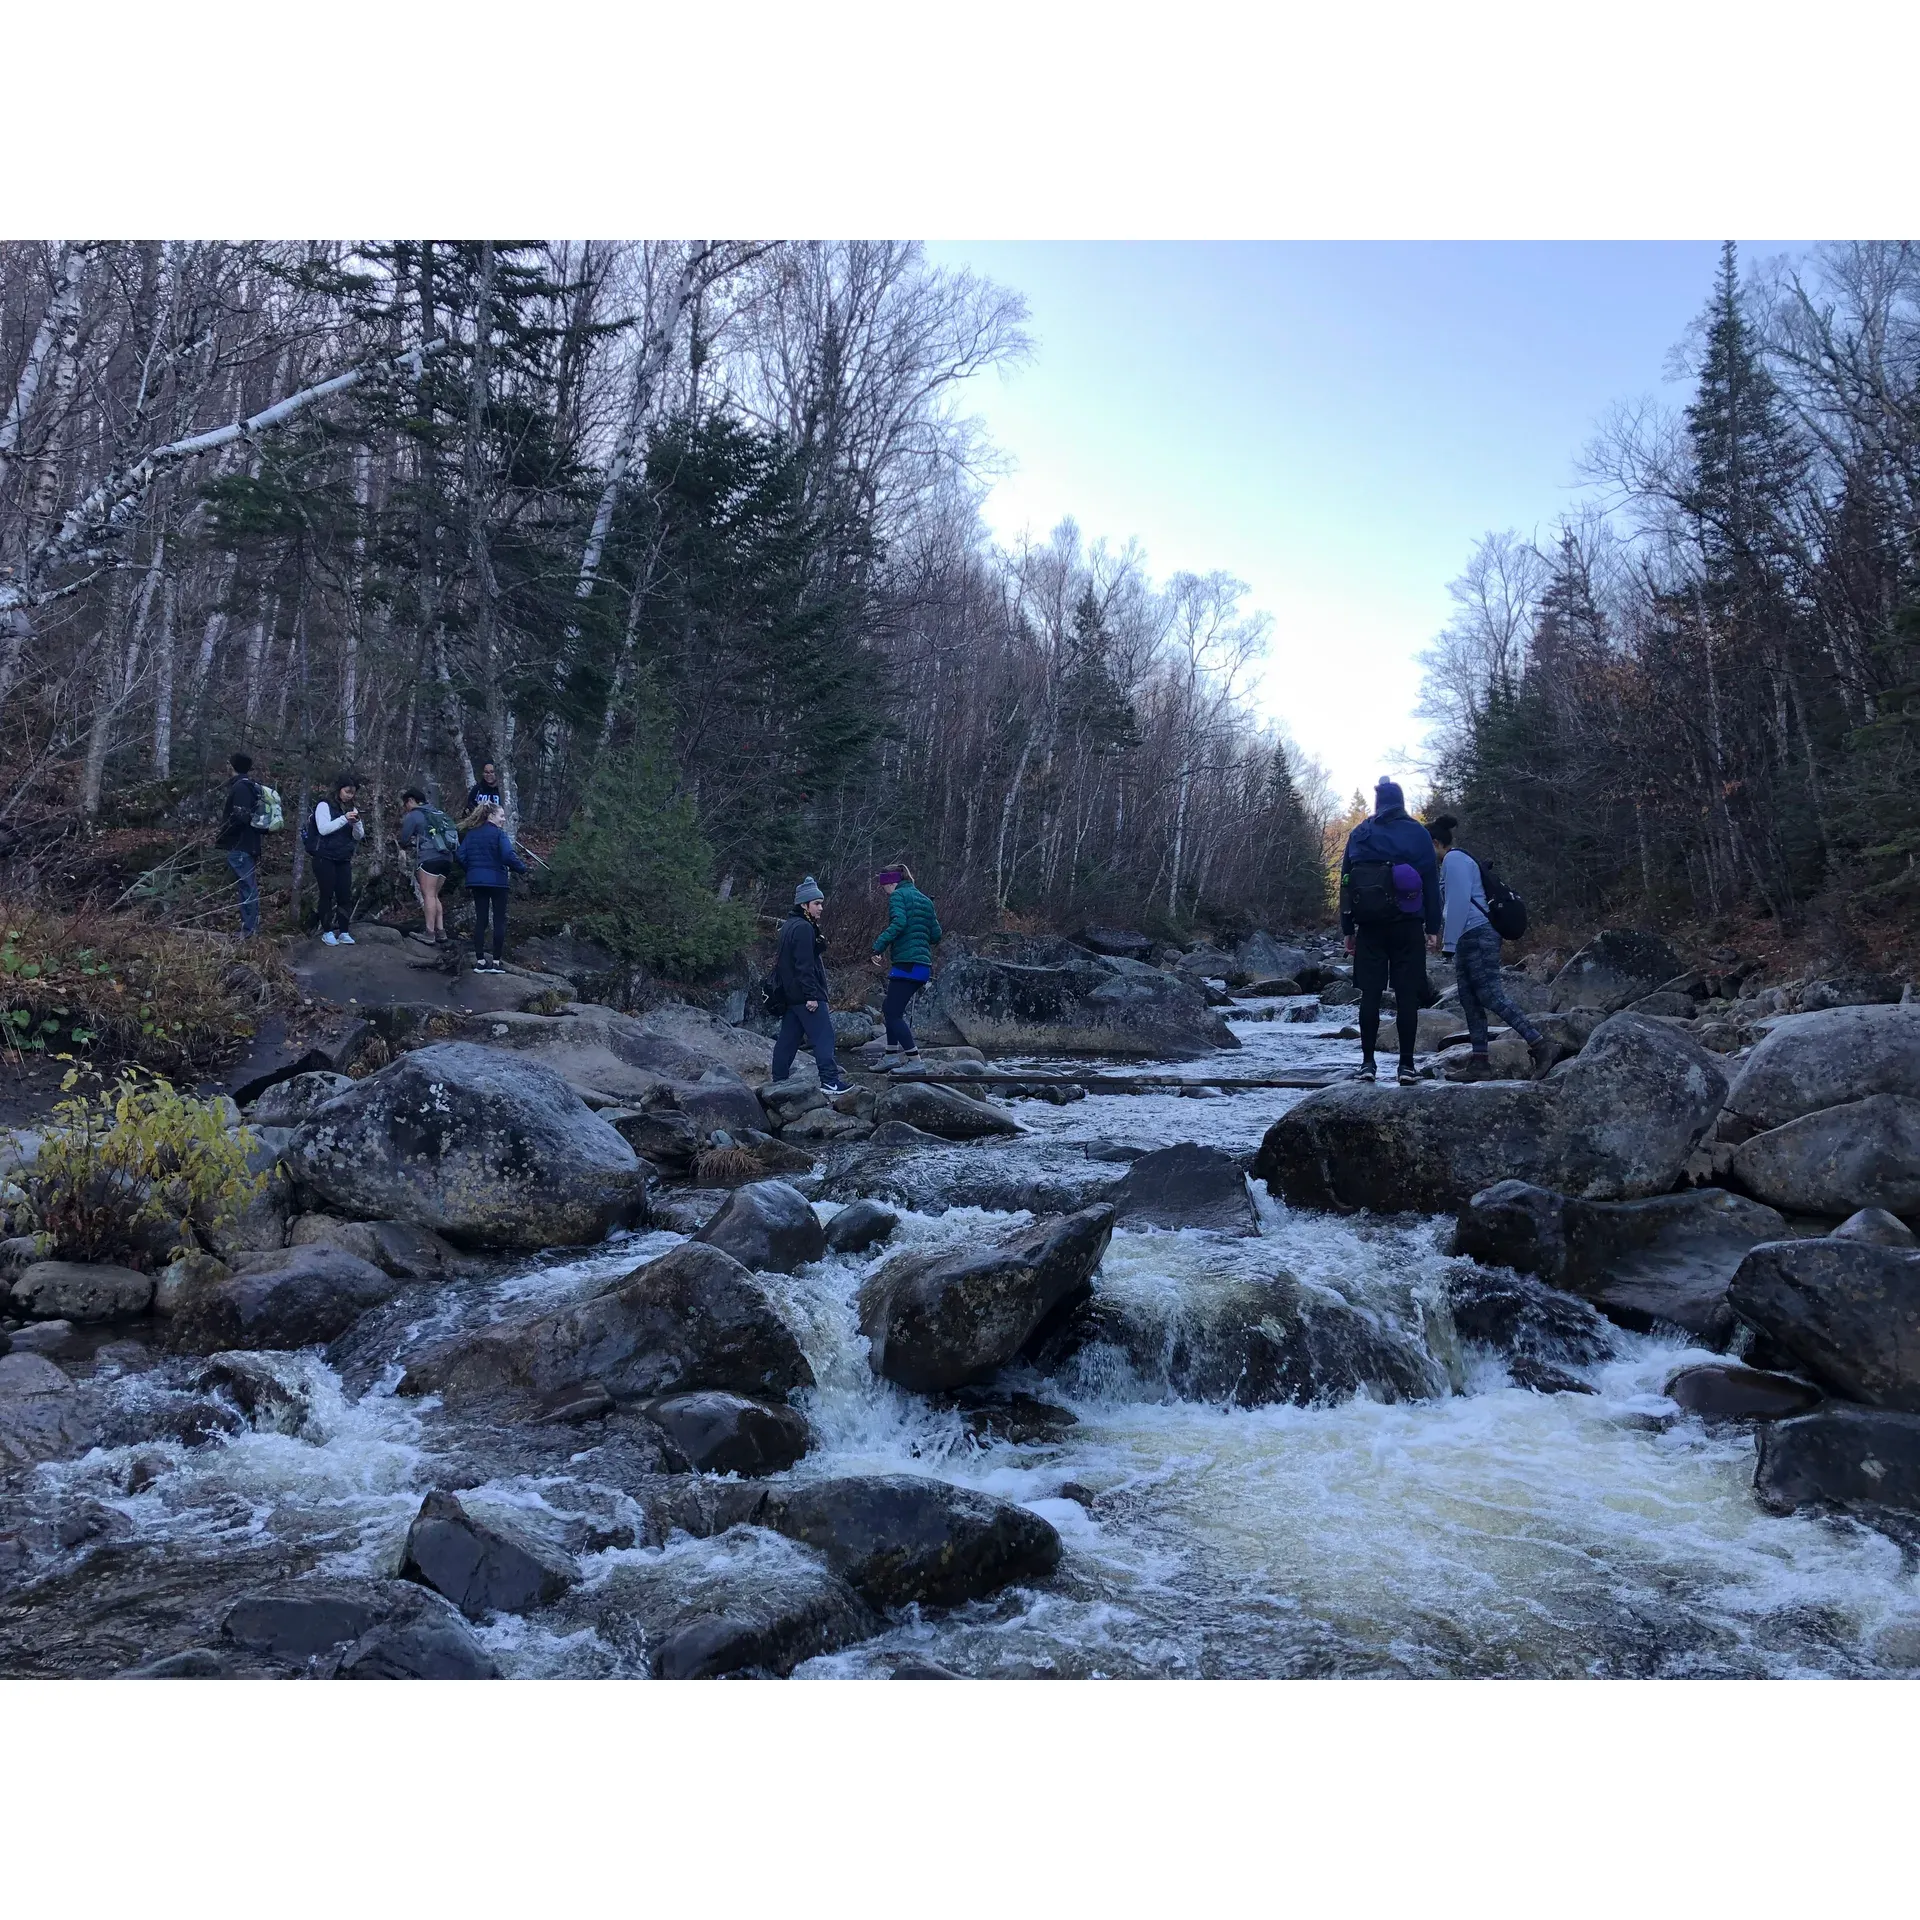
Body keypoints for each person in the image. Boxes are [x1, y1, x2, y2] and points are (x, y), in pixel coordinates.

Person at [1428, 814, 1554, 1081]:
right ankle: (1480, 1063)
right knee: (1469, 999)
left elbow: (1459, 902)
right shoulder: (1450, 862)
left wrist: (1448, 944)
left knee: (1490, 995)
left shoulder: (1455, 860)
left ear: (1436, 842)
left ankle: (1541, 1045)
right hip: (1467, 936)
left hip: (1477, 934)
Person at [1339, 777, 1442, 1085]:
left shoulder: (1360, 833)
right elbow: (1430, 883)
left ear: (1378, 803)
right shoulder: (1418, 834)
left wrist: (1348, 929)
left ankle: (1368, 1064)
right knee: (1407, 996)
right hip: (1407, 926)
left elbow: (1346, 882)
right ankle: (1406, 1067)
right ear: (1401, 801)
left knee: (1370, 995)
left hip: (1369, 926)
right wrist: (1433, 927)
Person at [770, 876, 849, 1091]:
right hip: (806, 995)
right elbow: (803, 966)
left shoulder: (789, 926)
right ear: (804, 905)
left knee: (788, 1039)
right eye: (816, 903)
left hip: (791, 995)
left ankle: (778, 1081)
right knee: (824, 1037)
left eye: (821, 903)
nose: (821, 908)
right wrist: (811, 995)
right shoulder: (804, 928)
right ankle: (830, 1082)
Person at [869, 861, 942, 1064]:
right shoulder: (925, 900)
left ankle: (915, 1061)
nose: (883, 890)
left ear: (891, 882)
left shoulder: (898, 896)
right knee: (890, 1008)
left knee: (892, 1013)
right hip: (922, 967)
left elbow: (899, 923)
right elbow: (936, 935)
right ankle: (891, 1055)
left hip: (907, 964)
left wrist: (878, 947)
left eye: (883, 886)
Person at [455, 803, 528, 972]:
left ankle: (480, 961)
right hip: (497, 881)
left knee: (481, 920)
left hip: (477, 882)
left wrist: (472, 870)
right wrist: (522, 868)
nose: (503, 819)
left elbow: (460, 855)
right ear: (491, 816)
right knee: (499, 920)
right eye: (501, 816)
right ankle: (496, 961)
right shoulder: (499, 835)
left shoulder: (472, 834)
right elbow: (508, 855)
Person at [310, 776, 365, 945]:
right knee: (326, 894)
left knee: (345, 895)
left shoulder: (351, 808)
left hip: (343, 857)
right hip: (324, 856)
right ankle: (327, 931)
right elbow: (324, 829)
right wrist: (344, 819)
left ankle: (344, 931)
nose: (349, 795)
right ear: (339, 789)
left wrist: (356, 823)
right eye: (347, 791)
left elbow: (359, 835)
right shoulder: (324, 805)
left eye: (352, 793)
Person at [398, 787, 455, 945]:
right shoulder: (438, 813)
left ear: (411, 800)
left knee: (428, 895)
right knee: (435, 895)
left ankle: (430, 933)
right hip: (447, 858)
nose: (405, 808)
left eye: (405, 804)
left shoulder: (415, 814)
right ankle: (441, 931)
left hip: (429, 857)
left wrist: (405, 846)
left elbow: (404, 837)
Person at [216, 751, 263, 937]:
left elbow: (240, 817)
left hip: (241, 845)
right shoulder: (249, 787)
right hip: (247, 844)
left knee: (247, 887)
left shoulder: (241, 788)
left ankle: (249, 931)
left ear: (232, 766)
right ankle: (250, 928)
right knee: (247, 886)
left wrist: (224, 834)